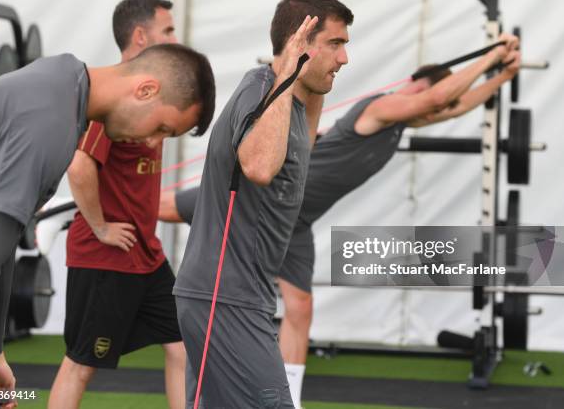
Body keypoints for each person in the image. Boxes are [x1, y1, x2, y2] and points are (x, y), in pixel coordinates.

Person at [160, 34, 520, 408]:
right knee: (165, 207)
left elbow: (449, 106)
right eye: (432, 95)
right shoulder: (377, 108)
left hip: (296, 221)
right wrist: (492, 55)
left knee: (300, 310)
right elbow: (438, 99)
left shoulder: (399, 124)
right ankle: (119, 205)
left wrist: (502, 76)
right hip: (267, 200)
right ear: (416, 85)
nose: (434, 110)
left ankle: (292, 398)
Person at [0, 7, 216, 408]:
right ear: (146, 90)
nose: (155, 142)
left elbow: (1, 246)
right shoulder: (50, 123)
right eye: (161, 128)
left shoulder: (65, 80)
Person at [173, 0, 353, 408]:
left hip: (237, 294)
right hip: (225, 297)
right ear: (299, 43)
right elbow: (257, 166)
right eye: (335, 44)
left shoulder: (290, 104)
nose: (344, 58)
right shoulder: (262, 91)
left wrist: (312, 77)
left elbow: (300, 148)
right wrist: (290, 71)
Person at [48, 0, 194, 409]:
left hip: (145, 255)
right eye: (167, 30)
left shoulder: (152, 94)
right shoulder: (109, 95)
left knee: (182, 346)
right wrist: (100, 227)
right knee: (80, 365)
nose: (174, 37)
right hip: (105, 258)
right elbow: (80, 167)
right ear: (140, 36)